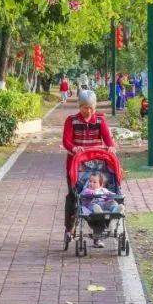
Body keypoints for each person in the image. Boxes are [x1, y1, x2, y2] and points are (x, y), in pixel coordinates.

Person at [62, 90, 115, 235]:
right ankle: (69, 227)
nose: (89, 110)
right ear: (80, 106)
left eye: (91, 107)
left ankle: (99, 230)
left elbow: (108, 139)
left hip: (97, 166)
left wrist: (110, 146)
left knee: (98, 196)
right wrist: (74, 148)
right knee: (74, 196)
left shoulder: (100, 120)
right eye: (85, 107)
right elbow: (66, 141)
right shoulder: (71, 120)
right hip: (76, 166)